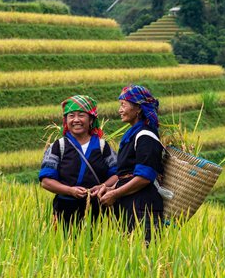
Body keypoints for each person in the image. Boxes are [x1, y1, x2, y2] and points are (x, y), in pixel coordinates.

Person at [39, 95, 118, 229]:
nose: (76, 120)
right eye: (71, 116)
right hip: (65, 212)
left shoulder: (102, 146)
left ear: (91, 119)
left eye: (81, 115)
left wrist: (103, 186)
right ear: (66, 120)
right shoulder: (59, 146)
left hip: (99, 212)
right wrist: (70, 191)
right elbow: (46, 181)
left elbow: (118, 174)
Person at [98, 85, 164, 243]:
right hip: (130, 206)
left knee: (142, 258)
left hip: (143, 208)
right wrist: (110, 188)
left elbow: (144, 177)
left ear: (138, 109)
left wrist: (115, 194)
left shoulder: (145, 136)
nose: (120, 110)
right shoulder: (133, 135)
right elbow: (128, 174)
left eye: (123, 105)